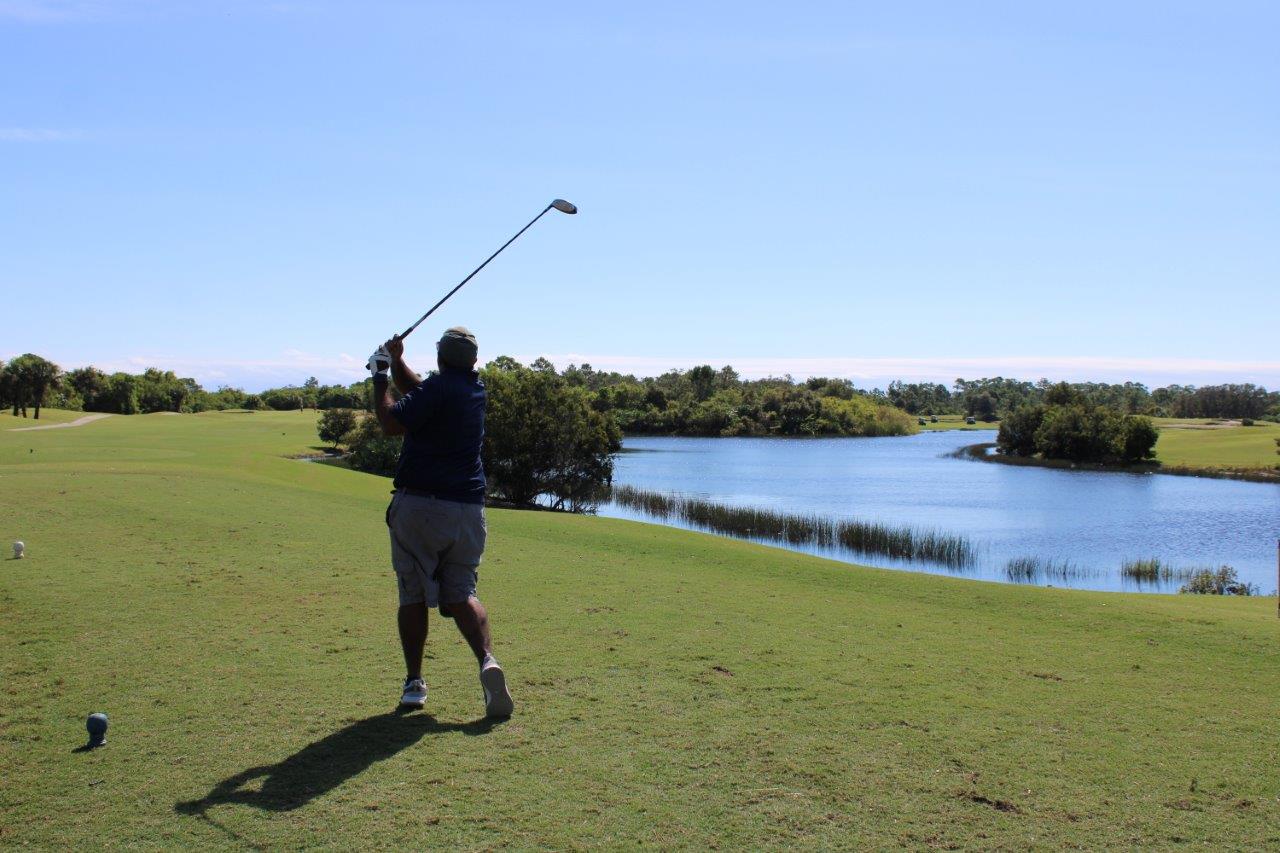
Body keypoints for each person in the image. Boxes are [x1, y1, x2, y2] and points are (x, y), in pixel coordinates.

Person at [367, 326, 513, 718]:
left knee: (413, 593)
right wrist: (397, 361)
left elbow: (390, 422)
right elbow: (421, 392)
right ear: (473, 361)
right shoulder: (472, 391)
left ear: (440, 359)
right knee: (461, 592)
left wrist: (380, 374)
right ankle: (487, 661)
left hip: (421, 507)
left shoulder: (438, 389)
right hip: (467, 511)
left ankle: (414, 683)